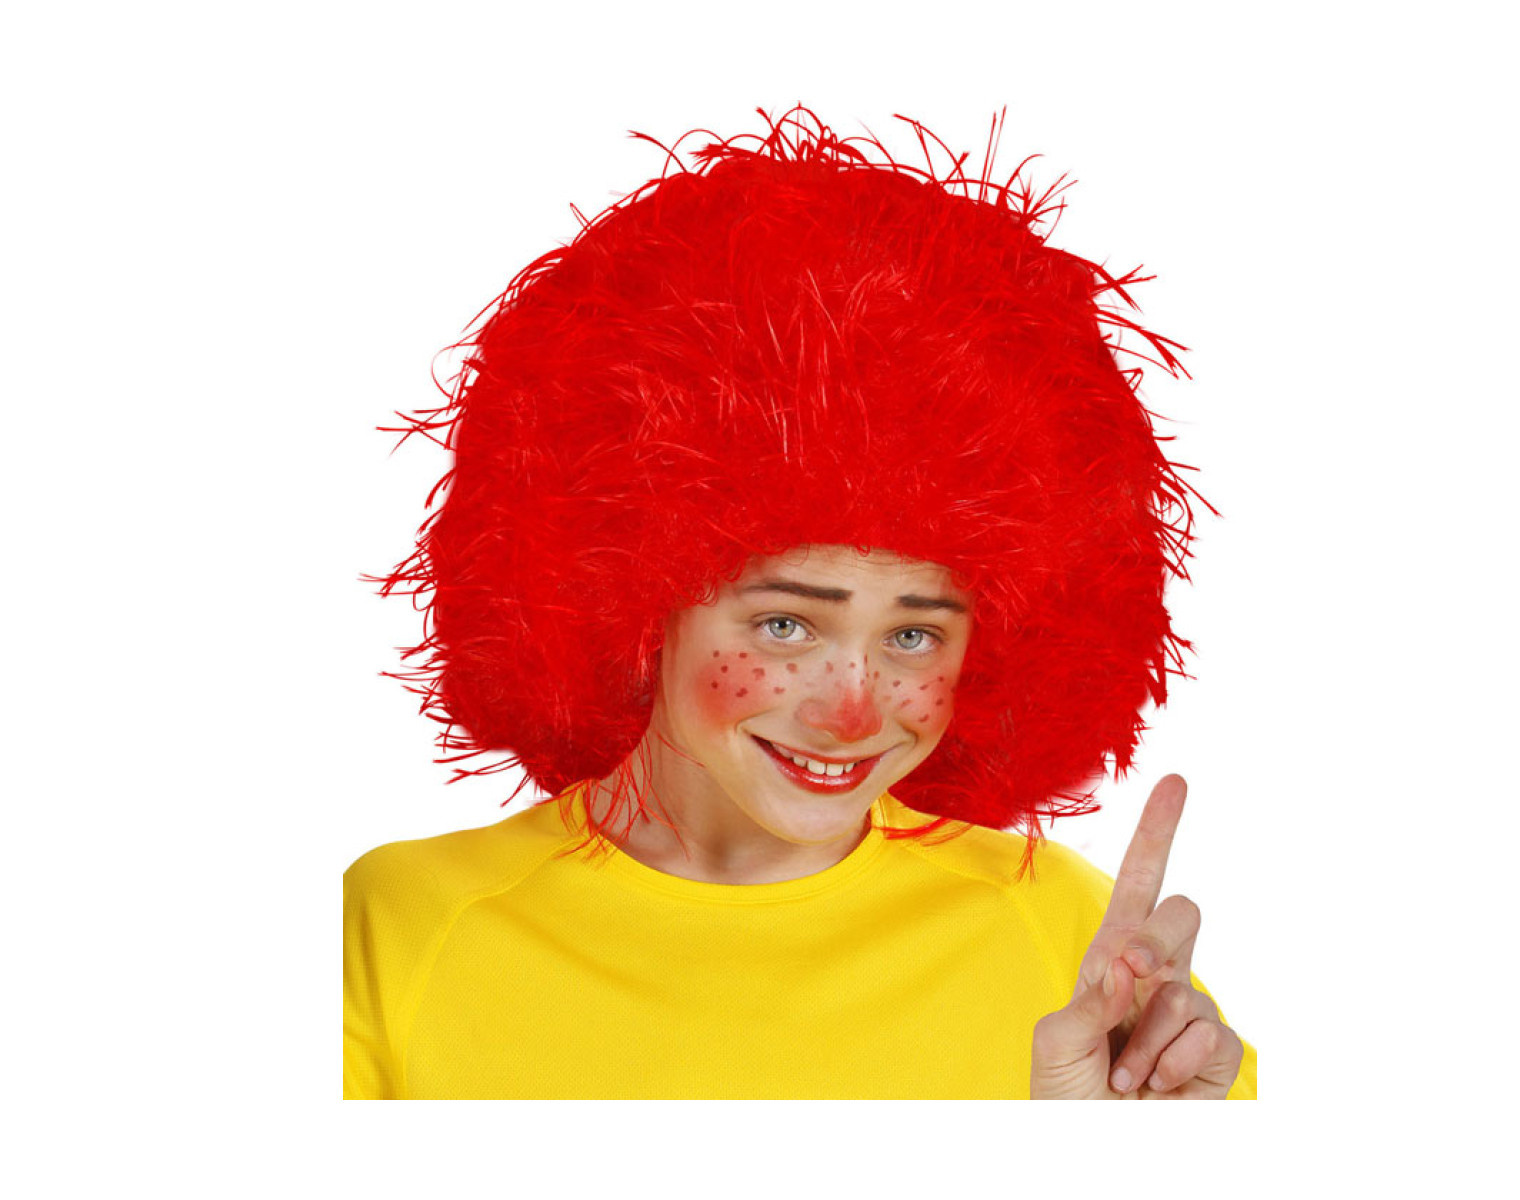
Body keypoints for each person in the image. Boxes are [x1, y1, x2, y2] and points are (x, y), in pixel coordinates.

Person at [344, 107, 1257, 1099]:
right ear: (635, 602)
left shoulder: (1077, 961)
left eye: (914, 635)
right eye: (786, 625)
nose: (852, 712)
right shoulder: (397, 932)